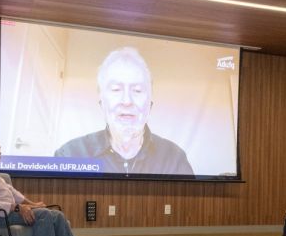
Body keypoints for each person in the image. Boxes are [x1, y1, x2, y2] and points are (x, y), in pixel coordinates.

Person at [54, 47, 194, 176]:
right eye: (116, 89)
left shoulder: (174, 159)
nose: (127, 101)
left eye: (137, 90)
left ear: (150, 104)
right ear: (102, 103)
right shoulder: (70, 154)